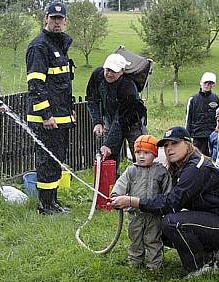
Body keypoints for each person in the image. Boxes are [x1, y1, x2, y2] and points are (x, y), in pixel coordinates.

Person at [110, 127, 219, 278]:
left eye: (174, 143)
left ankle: (199, 267)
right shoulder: (182, 166)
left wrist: (133, 201)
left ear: (187, 144)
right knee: (160, 226)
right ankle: (214, 253)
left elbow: (171, 203)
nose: (169, 149)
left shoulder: (195, 168)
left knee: (172, 223)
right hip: (216, 218)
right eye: (166, 146)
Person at [25, 2, 75, 215]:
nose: (56, 22)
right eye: (53, 18)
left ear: (65, 21)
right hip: (46, 118)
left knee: (56, 159)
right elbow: (36, 85)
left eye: (60, 19)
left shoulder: (59, 44)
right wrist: (46, 115)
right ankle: (45, 206)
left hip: (61, 115)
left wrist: (70, 109)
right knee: (47, 161)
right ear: (46, 19)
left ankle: (53, 202)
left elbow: (63, 84)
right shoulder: (39, 46)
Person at [110, 135, 171, 270]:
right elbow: (121, 184)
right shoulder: (131, 171)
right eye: (138, 152)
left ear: (154, 155)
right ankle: (135, 262)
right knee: (135, 238)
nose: (141, 156)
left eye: (146, 153)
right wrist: (116, 195)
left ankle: (154, 265)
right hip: (135, 214)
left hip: (153, 215)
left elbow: (168, 191)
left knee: (153, 239)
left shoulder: (161, 171)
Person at [87, 53, 147, 170]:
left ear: (122, 71)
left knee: (140, 154)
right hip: (110, 117)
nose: (109, 74)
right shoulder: (97, 75)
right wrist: (97, 122)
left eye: (113, 71)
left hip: (133, 121)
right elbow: (92, 99)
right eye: (107, 70)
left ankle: (142, 182)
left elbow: (121, 120)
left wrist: (108, 144)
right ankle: (111, 185)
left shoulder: (128, 88)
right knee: (109, 155)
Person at [186, 72, 219, 156]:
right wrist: (187, 137)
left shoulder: (216, 99)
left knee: (213, 160)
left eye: (210, 83)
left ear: (213, 85)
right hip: (198, 136)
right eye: (205, 82)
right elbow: (188, 118)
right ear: (200, 82)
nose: (207, 85)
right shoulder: (193, 99)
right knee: (198, 160)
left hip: (213, 135)